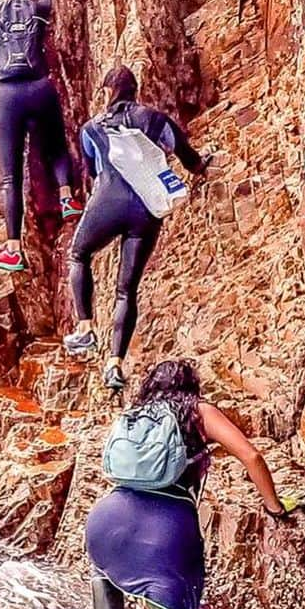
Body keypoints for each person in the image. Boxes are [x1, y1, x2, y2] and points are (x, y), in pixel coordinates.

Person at [86, 359, 297, 609]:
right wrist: (274, 507)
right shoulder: (197, 412)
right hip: (164, 532)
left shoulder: (134, 416)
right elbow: (251, 457)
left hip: (104, 523)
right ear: (191, 386)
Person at [63, 67, 206, 390]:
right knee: (126, 290)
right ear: (135, 90)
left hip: (108, 201)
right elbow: (188, 157)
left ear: (107, 92)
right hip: (146, 208)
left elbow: (92, 171)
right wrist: (202, 168)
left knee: (79, 254)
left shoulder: (91, 129)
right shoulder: (156, 120)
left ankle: (85, 328)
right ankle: (115, 364)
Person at [0, 0, 82, 273]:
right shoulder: (36, 7)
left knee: (11, 177)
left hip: (8, 94)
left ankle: (13, 249)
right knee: (56, 145)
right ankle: (67, 198)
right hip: (40, 86)